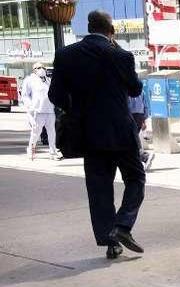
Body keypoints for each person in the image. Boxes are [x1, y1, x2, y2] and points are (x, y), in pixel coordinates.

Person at [49, 11, 146, 260]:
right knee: (135, 178)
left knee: (99, 188)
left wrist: (77, 108)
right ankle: (123, 226)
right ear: (110, 29)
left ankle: (110, 241)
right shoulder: (120, 55)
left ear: (89, 27)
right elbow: (135, 88)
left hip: (89, 133)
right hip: (121, 131)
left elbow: (56, 96)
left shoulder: (66, 55)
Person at [21, 63, 60, 161]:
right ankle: (31, 149)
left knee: (52, 132)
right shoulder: (29, 80)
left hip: (50, 110)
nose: (42, 69)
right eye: (39, 68)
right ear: (34, 70)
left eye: (43, 67)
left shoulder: (48, 80)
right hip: (37, 111)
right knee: (36, 133)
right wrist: (30, 107)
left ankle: (53, 152)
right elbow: (25, 95)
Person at [128, 89, 154, 169]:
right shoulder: (141, 90)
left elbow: (125, 105)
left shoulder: (125, 90)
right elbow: (145, 105)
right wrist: (144, 120)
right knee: (132, 139)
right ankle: (141, 159)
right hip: (140, 116)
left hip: (130, 115)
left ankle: (144, 156)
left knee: (129, 140)